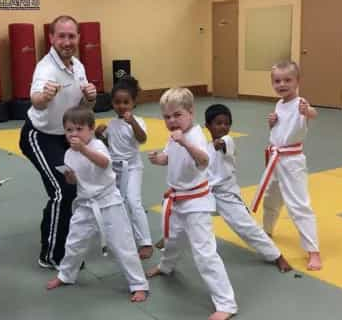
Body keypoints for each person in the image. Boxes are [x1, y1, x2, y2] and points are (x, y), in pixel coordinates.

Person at [146, 88, 237, 320]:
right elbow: (170, 156)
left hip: (196, 203)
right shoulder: (175, 135)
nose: (172, 121)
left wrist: (185, 142)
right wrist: (160, 159)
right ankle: (166, 266)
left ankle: (226, 303)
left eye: (177, 115)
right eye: (167, 117)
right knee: (173, 239)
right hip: (178, 199)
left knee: (205, 253)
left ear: (190, 112)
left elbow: (204, 160)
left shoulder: (194, 135)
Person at [46, 105, 149, 302]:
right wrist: (70, 177)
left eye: (79, 129)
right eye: (69, 130)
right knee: (74, 242)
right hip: (85, 204)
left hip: (109, 203)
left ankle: (138, 285)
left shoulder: (96, 146)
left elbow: (103, 163)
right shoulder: (69, 154)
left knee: (123, 245)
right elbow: (77, 180)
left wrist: (83, 149)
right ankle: (66, 275)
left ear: (91, 129)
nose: (73, 134)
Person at [19, 15, 97, 269]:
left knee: (76, 189)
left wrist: (90, 97)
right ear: (51, 38)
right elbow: (36, 99)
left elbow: (83, 109)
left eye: (71, 36)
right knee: (62, 190)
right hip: (39, 138)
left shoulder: (78, 67)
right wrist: (44, 96)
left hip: (66, 137)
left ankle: (67, 243)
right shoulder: (45, 68)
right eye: (61, 36)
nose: (67, 41)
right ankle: (51, 255)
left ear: (78, 38)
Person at [252, 60, 322, 271]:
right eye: (277, 81)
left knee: (299, 204)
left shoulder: (301, 102)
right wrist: (272, 122)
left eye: (287, 80)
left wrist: (307, 111)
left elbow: (312, 114)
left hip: (292, 162)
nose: (282, 84)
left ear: (297, 81)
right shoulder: (280, 104)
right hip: (275, 159)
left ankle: (313, 250)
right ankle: (267, 231)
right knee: (271, 197)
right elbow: (280, 132)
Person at [205, 104, 292, 273]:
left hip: (226, 195)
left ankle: (277, 256)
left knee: (247, 227)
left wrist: (220, 142)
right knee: (182, 212)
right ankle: (169, 240)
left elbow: (222, 144)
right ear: (207, 125)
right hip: (206, 193)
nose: (223, 127)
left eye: (227, 123)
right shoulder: (205, 147)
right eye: (218, 123)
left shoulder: (228, 141)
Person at [94, 75, 153, 259]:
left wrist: (132, 122)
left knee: (133, 201)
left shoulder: (138, 121)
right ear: (112, 103)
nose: (122, 106)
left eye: (126, 102)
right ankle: (119, 236)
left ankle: (145, 242)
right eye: (117, 102)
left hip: (133, 168)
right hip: (115, 170)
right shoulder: (111, 124)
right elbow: (109, 147)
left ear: (133, 103)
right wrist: (99, 136)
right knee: (115, 203)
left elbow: (142, 139)